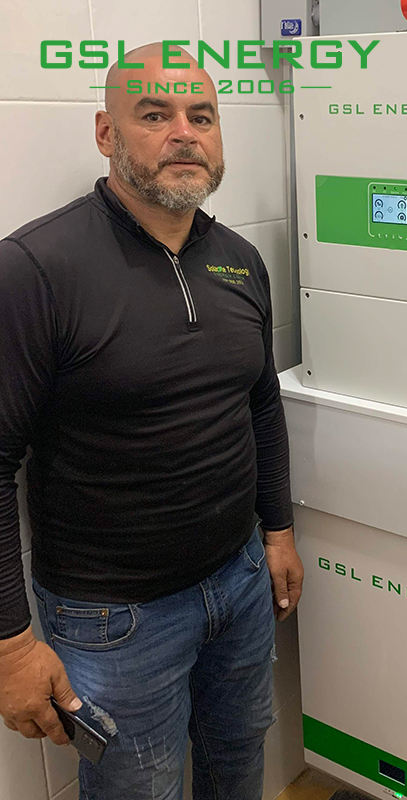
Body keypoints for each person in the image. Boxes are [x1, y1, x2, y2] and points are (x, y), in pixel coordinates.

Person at [0, 44, 303, 800]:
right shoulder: (37, 268)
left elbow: (260, 403)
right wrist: (10, 646)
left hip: (238, 582)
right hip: (113, 620)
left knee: (239, 761)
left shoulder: (240, 259)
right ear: (107, 133)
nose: (184, 133)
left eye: (202, 115)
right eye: (155, 114)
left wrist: (277, 532)